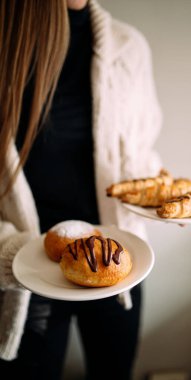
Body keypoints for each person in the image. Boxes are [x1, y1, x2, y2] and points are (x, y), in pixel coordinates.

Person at [0, 0, 162, 379]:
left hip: (118, 266)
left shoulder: (129, 48)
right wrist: (14, 257)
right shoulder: (8, 43)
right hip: (25, 272)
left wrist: (160, 197)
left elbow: (141, 153)